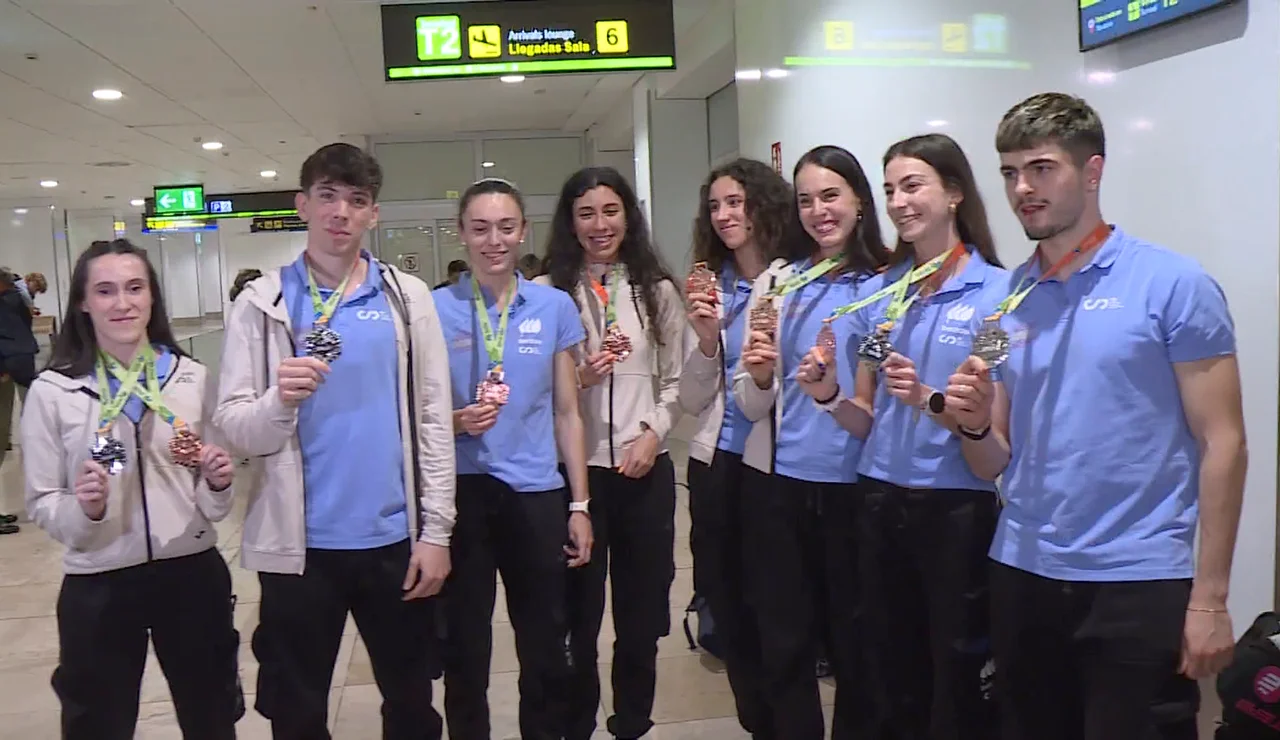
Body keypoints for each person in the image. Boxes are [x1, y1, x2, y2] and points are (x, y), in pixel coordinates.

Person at [945, 92, 1246, 739]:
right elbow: (991, 453)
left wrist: (1211, 597)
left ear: (1092, 171)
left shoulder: (1173, 284)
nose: (1022, 187)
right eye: (1009, 172)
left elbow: (1224, 443)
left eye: (1041, 168)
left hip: (1136, 579)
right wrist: (971, 424)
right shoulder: (1004, 300)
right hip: (1022, 571)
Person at [214, 142, 456, 740]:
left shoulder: (408, 297)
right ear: (303, 205)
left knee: (411, 704)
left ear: (373, 214)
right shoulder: (262, 303)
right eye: (327, 196)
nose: (340, 212)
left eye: (356, 200)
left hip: (393, 543)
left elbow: (433, 419)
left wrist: (437, 533)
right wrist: (279, 400)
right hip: (299, 551)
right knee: (296, 712)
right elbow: (235, 425)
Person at [795, 133, 1006, 738]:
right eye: (890, 189)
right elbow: (866, 416)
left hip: (955, 506)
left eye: (912, 185)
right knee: (885, 665)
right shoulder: (881, 296)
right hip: (878, 498)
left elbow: (987, 418)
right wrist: (827, 395)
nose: (899, 201)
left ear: (955, 193)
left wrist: (928, 400)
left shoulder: (999, 295)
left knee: (956, 668)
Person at [22, 238, 239, 739]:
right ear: (82, 301)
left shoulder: (193, 378)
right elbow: (41, 500)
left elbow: (213, 498)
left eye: (135, 288)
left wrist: (218, 481)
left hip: (191, 575)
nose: (122, 303)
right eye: (105, 290)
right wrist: (86, 510)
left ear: (152, 297)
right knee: (97, 723)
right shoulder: (54, 391)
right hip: (98, 582)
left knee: (211, 717)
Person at [735, 145, 889, 739]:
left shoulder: (887, 282)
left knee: (858, 647)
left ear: (858, 200)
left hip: (856, 486)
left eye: (831, 196)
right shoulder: (780, 282)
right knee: (785, 642)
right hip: (781, 483)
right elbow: (751, 402)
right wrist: (759, 373)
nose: (818, 211)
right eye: (806, 200)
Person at [434, 177, 593, 740]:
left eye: (505, 228)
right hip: (465, 493)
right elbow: (414, 414)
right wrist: (456, 422)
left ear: (524, 232)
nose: (493, 241)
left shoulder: (552, 307)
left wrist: (578, 503)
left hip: (535, 493)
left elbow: (568, 413)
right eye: (480, 229)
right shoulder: (433, 310)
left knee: (545, 642)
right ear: (462, 235)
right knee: (464, 645)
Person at [540, 165, 685, 740]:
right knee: (576, 615)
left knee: (640, 615)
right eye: (586, 213)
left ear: (629, 216)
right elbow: (540, 392)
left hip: (643, 472)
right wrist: (580, 378)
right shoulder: (550, 293)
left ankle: (632, 721)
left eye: (610, 211)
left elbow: (677, 381)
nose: (600, 225)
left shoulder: (658, 290)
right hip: (576, 479)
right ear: (569, 223)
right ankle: (576, 722)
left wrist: (654, 430)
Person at [680, 157, 794, 738]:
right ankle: (756, 721)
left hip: (774, 469)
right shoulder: (710, 285)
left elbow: (766, 396)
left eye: (737, 202)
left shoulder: (791, 280)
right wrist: (704, 341)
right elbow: (695, 397)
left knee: (774, 609)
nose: (725, 215)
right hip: (714, 463)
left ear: (764, 205)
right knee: (725, 602)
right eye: (716, 205)